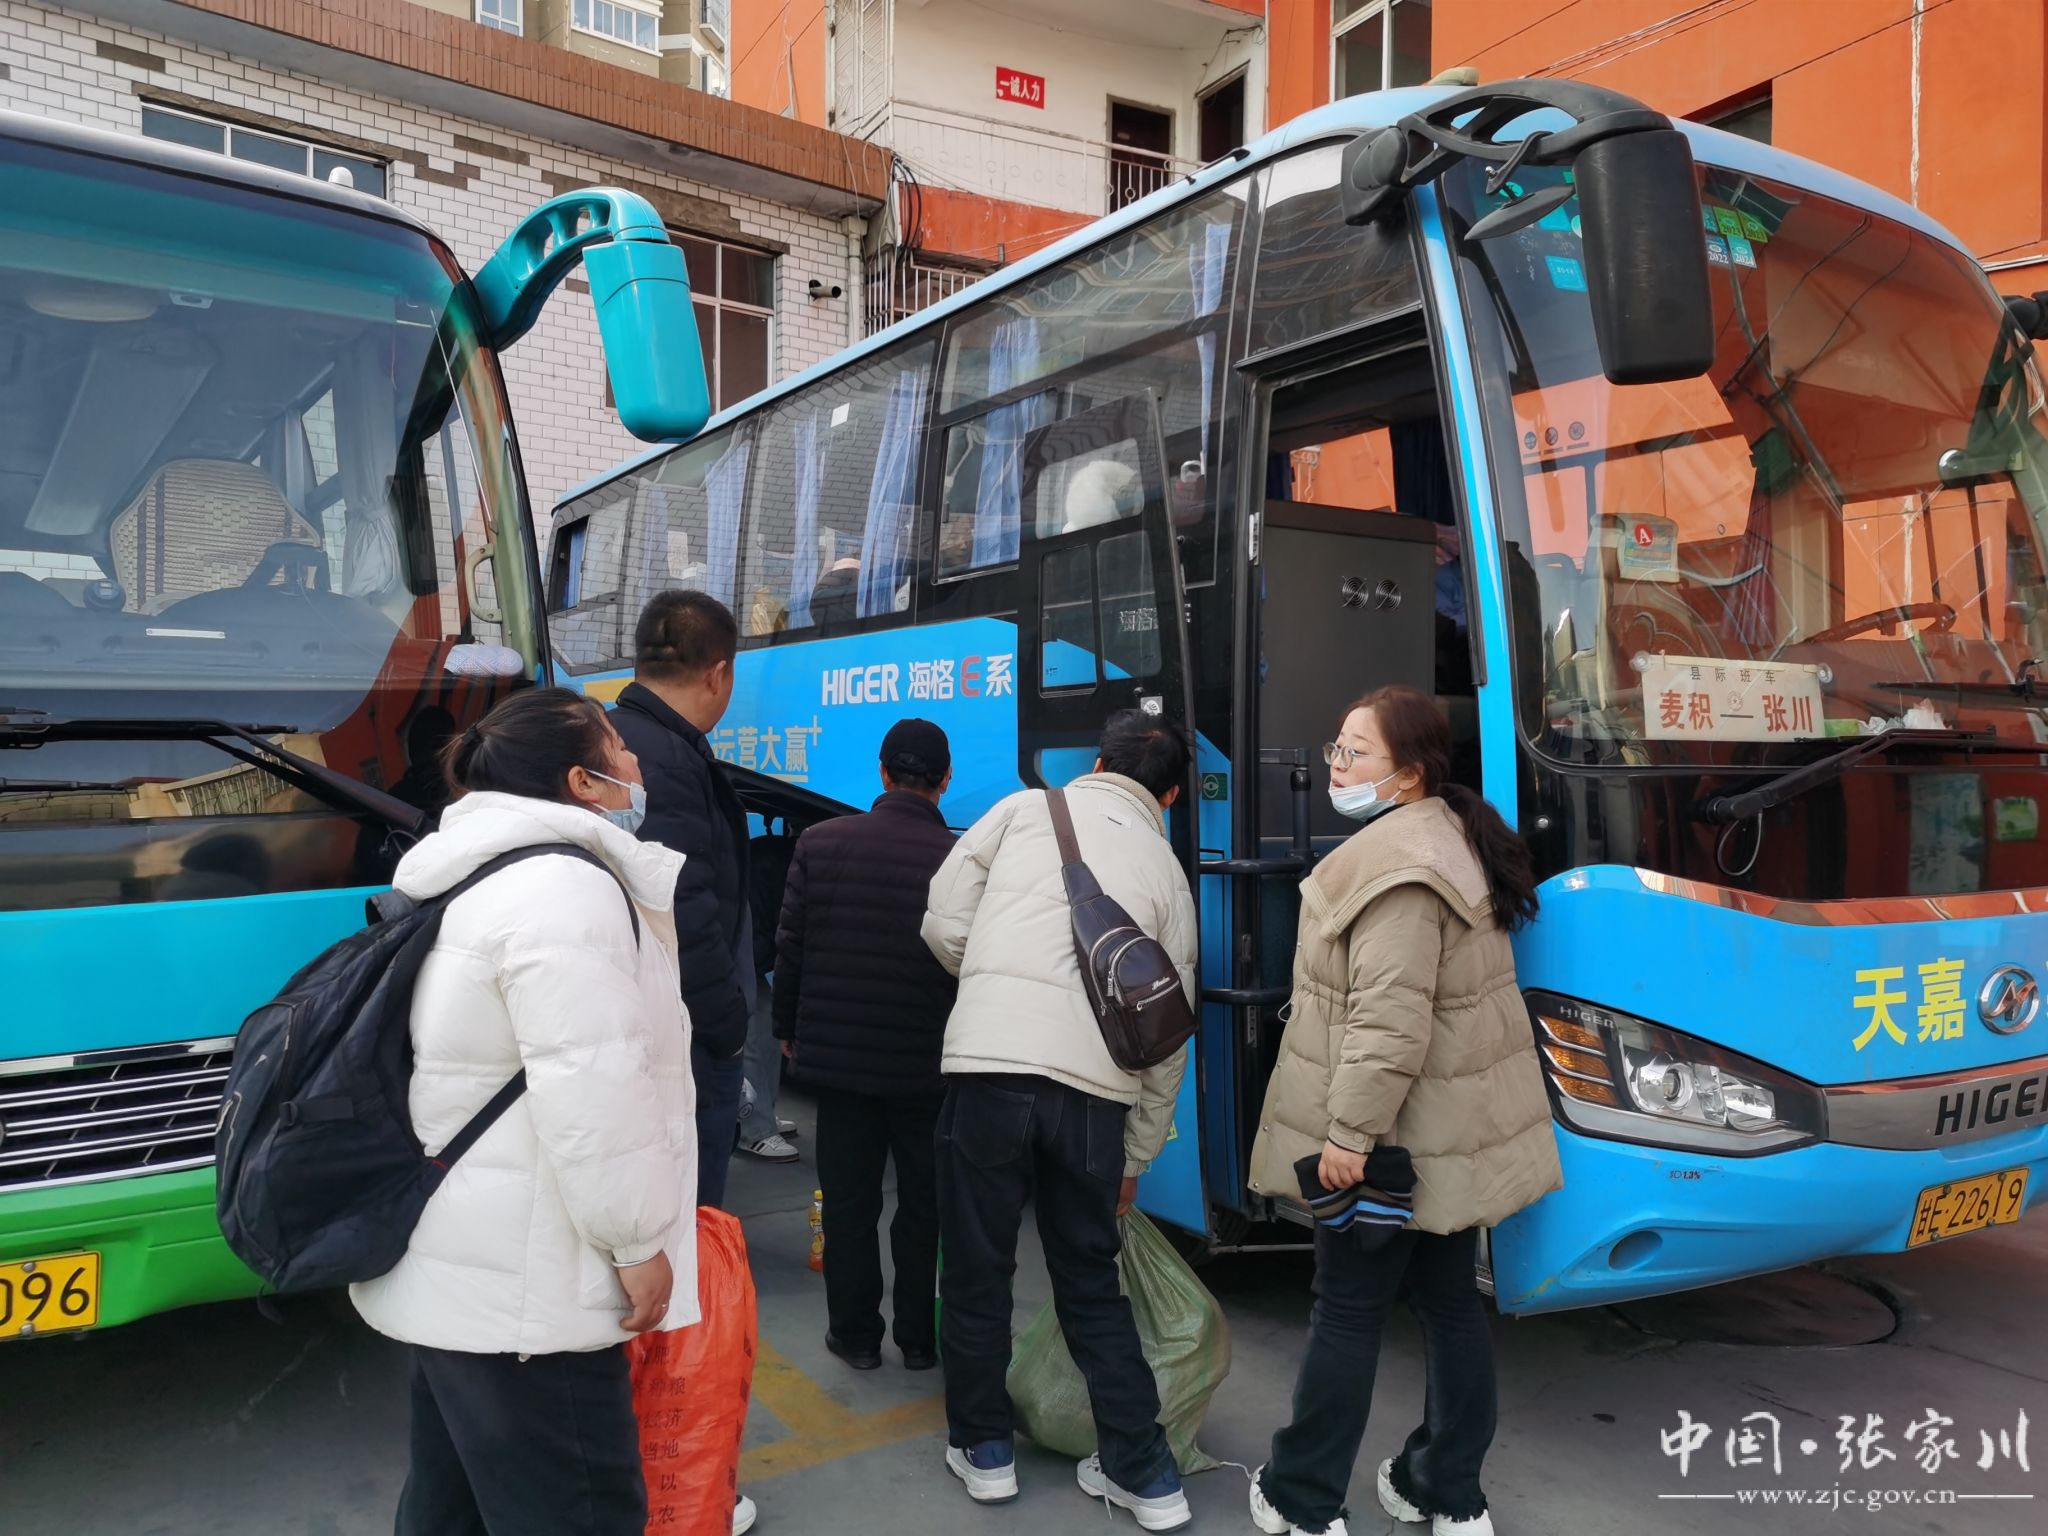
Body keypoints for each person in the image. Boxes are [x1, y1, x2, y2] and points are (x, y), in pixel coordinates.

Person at [349, 687, 696, 1536]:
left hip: (464, 1265)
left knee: (453, 1510)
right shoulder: (563, 891)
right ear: (582, 781)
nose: (635, 760)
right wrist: (635, 1244)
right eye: (617, 746)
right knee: (578, 1512)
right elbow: (594, 1086)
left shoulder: (477, 872)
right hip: (530, 1289)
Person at [1246, 686, 1561, 1536]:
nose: (1336, 765)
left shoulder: (1398, 871)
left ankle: (1302, 1500)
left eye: (1356, 753)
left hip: (1389, 1142)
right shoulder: (1449, 839)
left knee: (1347, 1313)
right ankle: (1446, 1492)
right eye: (1337, 746)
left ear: (1410, 774)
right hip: (1445, 1137)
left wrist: (1349, 1134)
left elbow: (1390, 1021)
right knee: (1450, 1305)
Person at [921, 710, 1198, 1532]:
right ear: (1171, 796)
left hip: (989, 1073)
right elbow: (1167, 1032)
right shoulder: (1167, 871)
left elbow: (942, 921)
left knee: (978, 1270)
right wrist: (1136, 1156)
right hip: (1095, 1097)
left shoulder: (1019, 811)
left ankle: (985, 1452)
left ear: (1099, 763)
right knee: (1090, 1283)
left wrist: (995, 983)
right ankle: (1147, 1475)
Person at [773, 719, 959, 1373]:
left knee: (849, 1203)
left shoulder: (821, 843)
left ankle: (855, 1336)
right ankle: (918, 1339)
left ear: (881, 773)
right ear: (945, 780)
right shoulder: (960, 858)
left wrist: (788, 1027)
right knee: (925, 1205)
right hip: (929, 1066)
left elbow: (792, 948)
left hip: (842, 1064)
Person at [610, 591, 762, 1206]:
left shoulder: (614, 734)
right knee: (689, 1216)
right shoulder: (669, 759)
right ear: (717, 674)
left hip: (639, 1017)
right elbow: (684, 907)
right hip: (684, 1035)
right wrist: (727, 1027)